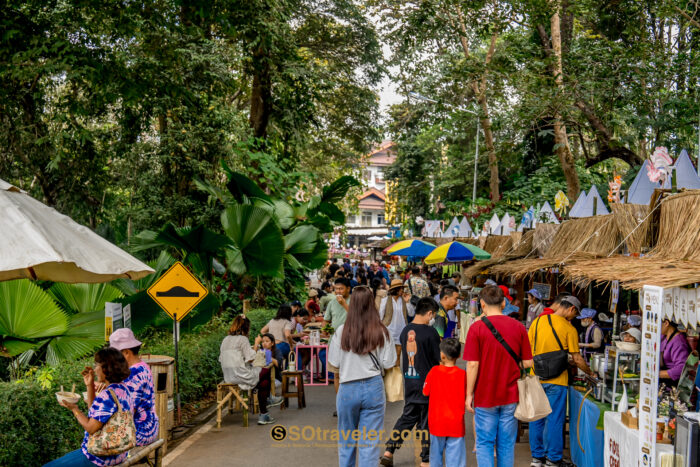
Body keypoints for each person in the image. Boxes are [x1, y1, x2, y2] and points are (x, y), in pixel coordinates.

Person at [465, 285, 534, 467]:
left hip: (484, 395)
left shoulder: (476, 328)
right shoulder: (519, 327)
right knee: (506, 444)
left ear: (482, 304)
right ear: (504, 303)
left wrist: (469, 394)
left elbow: (472, 364)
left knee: (484, 442)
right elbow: (528, 363)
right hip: (511, 396)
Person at [327, 286, 396, 467]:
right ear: (371, 305)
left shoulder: (341, 331)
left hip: (348, 387)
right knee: (370, 443)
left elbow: (334, 363)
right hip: (374, 387)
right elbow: (389, 363)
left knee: (346, 439)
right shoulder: (382, 331)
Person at [528, 296, 594, 467]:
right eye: (575, 314)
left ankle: (537, 458)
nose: (574, 318)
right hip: (557, 380)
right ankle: (553, 459)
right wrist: (591, 373)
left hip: (536, 376)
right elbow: (578, 359)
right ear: (572, 309)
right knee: (555, 419)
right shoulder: (569, 329)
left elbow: (528, 349)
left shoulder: (536, 322)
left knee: (536, 418)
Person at [45, 348, 134, 466]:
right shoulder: (123, 389)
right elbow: (95, 413)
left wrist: (74, 409)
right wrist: (90, 385)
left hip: (99, 457)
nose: (95, 369)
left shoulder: (107, 396)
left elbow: (91, 428)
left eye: (97, 365)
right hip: (118, 453)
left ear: (106, 368)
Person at [380, 298, 441, 467]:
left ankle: (389, 451)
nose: (433, 318)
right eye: (433, 315)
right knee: (426, 424)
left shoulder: (405, 330)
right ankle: (426, 459)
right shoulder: (431, 333)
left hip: (410, 382)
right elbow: (439, 360)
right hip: (427, 385)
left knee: (407, 418)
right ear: (429, 313)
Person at [220, 316, 283, 425]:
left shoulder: (225, 339)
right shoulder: (242, 339)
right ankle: (267, 402)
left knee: (263, 381)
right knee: (266, 371)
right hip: (241, 376)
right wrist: (257, 344)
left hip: (228, 377)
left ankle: (264, 415)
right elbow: (251, 358)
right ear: (246, 328)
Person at [109, 328, 159, 446]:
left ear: (126, 353)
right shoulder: (142, 366)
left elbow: (127, 412)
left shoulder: (134, 374)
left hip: (140, 431)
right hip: (150, 426)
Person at [423, 338, 467, 467]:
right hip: (456, 424)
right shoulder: (462, 374)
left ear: (442, 355)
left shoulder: (434, 372)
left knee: (435, 458)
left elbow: (425, 392)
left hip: (437, 423)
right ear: (459, 356)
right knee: (455, 460)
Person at [323, 277, 352, 410]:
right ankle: (341, 404)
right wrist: (325, 329)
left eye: (341, 289)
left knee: (350, 374)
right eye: (336, 289)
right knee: (336, 374)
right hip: (334, 342)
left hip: (351, 342)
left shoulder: (354, 301)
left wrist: (344, 304)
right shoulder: (331, 303)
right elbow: (326, 321)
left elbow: (357, 317)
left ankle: (352, 403)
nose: (338, 292)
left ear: (348, 289)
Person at [379, 279, 416, 357]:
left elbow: (411, 313)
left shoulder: (404, 300)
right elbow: (380, 316)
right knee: (388, 356)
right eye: (400, 288)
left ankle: (397, 368)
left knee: (398, 355)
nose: (402, 290)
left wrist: (408, 302)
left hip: (401, 331)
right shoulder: (385, 300)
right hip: (389, 331)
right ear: (395, 290)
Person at [659, 319, 691, 386]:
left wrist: (657, 374)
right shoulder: (663, 337)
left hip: (673, 384)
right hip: (663, 382)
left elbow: (681, 369)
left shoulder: (678, 342)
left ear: (666, 323)